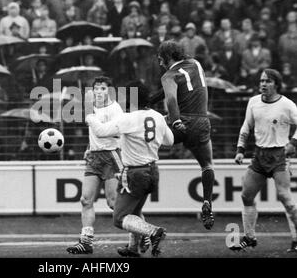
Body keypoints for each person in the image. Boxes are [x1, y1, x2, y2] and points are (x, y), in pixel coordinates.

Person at [86, 80, 174, 257]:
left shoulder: (128, 118)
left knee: (119, 219)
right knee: (134, 211)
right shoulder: (157, 116)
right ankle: (133, 248)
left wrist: (89, 115)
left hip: (135, 173)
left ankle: (153, 232)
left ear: (132, 99)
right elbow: (169, 141)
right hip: (152, 171)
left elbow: (101, 131)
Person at [150, 40, 215, 230]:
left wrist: (176, 120)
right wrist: (151, 99)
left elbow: (171, 97)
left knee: (144, 142)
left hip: (181, 122)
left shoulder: (168, 75)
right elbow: (172, 90)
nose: (161, 64)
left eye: (161, 59)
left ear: (168, 57)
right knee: (207, 165)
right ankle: (207, 202)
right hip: (202, 122)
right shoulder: (196, 64)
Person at [231, 69, 297, 253]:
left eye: (267, 81)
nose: (263, 84)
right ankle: (250, 237)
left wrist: (293, 143)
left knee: (285, 198)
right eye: (261, 81)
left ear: (276, 84)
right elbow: (246, 126)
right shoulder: (253, 102)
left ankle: (296, 239)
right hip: (260, 155)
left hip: (279, 156)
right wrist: (240, 150)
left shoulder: (287, 105)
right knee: (246, 196)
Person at [66, 76, 123, 254]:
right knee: (85, 200)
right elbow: (94, 134)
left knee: (114, 203)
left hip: (112, 156)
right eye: (96, 88)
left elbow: (117, 134)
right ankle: (86, 241)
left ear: (110, 91)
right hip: (94, 157)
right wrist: (89, 147)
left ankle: (141, 232)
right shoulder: (92, 108)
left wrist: (98, 129)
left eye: (103, 89)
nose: (99, 92)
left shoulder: (115, 109)